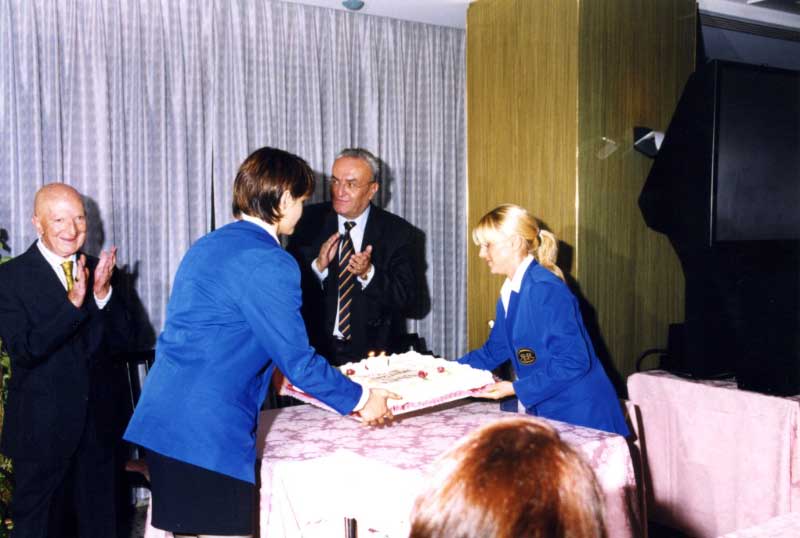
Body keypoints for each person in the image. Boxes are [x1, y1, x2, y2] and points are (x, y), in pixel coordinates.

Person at [123, 147, 398, 538]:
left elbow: (221, 332)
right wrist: (363, 399)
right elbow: (299, 362)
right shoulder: (271, 261)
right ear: (283, 200)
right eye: (301, 200)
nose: (302, 210)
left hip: (165, 420)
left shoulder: (209, 244)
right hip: (208, 431)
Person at [0, 183, 131, 537]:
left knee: (99, 526)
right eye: (59, 220)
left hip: (97, 431)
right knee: (39, 529)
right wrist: (72, 306)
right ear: (37, 223)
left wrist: (102, 296)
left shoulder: (99, 270)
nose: (71, 230)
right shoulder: (10, 278)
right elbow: (25, 350)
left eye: (79, 219)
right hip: (42, 433)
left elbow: (125, 342)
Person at [458, 204, 629, 436]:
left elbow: (573, 361)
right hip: (551, 409)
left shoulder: (544, 288)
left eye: (487, 245)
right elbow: (493, 351)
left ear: (515, 243)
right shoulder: (510, 290)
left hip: (581, 414)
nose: (481, 254)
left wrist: (515, 388)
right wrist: (444, 372)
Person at [287, 148, 418, 366]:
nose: (339, 191)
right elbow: (285, 289)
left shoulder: (398, 232)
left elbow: (411, 301)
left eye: (351, 184)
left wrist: (369, 274)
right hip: (315, 352)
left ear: (372, 189)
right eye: (335, 181)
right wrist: (317, 268)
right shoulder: (307, 221)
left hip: (373, 357)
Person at [408, 417, 607, 538]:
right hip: (545, 407)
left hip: (581, 411)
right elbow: (490, 358)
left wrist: (515, 387)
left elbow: (573, 365)